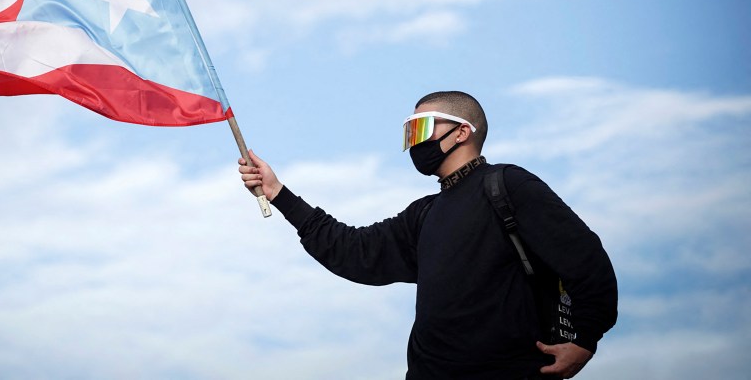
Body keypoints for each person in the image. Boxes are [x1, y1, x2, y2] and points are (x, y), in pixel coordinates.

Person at [238, 90, 617, 380]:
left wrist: (585, 341)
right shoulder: (423, 214)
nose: (413, 142)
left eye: (420, 128)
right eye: (408, 133)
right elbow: (354, 251)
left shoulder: (509, 186)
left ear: (461, 132)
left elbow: (587, 262)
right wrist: (279, 193)